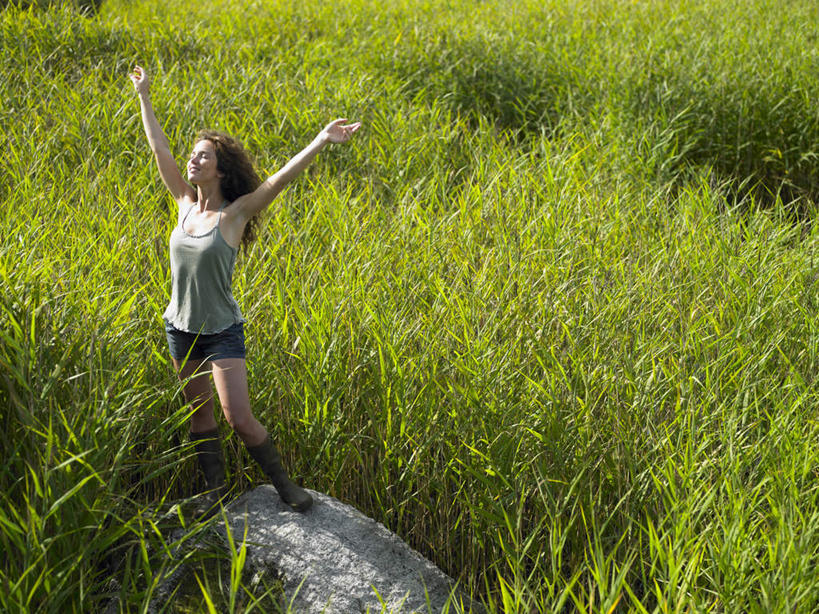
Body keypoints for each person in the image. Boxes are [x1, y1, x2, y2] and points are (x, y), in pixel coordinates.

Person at [129, 65, 360, 515]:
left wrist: (320, 139)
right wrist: (145, 96)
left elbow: (278, 181)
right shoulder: (182, 205)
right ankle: (215, 492)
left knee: (237, 417)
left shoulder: (232, 216)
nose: (192, 160)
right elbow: (159, 149)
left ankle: (282, 484)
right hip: (180, 328)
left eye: (202, 157)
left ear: (220, 169)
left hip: (221, 331)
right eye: (192, 156)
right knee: (200, 416)